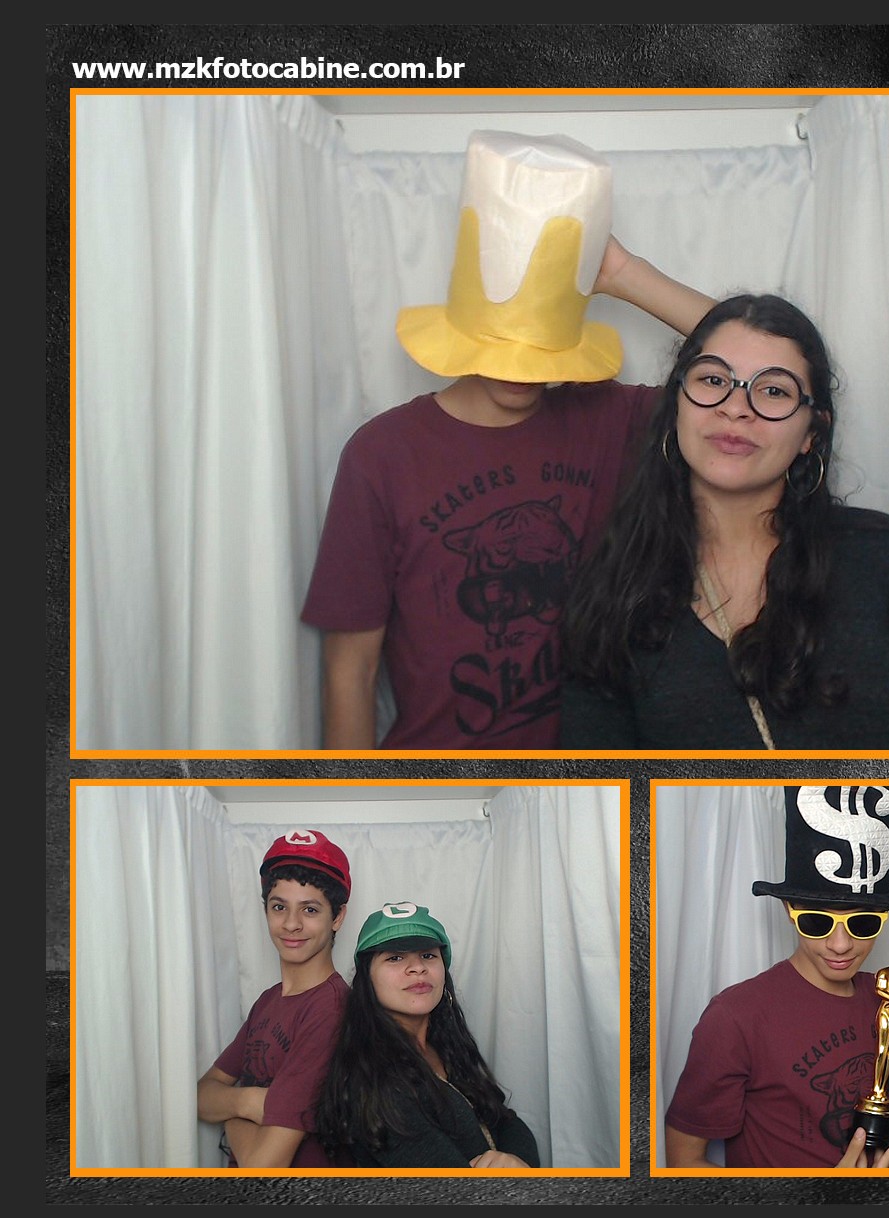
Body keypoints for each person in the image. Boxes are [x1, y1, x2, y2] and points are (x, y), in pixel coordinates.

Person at [300, 129, 715, 750]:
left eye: (539, 348)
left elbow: (763, 372)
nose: (521, 371)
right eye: (503, 345)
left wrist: (627, 275)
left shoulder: (607, 420)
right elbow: (349, 674)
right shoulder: (381, 456)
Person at [557, 293, 889, 750]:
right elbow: (600, 789)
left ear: (811, 433)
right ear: (676, 407)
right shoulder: (615, 589)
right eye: (713, 380)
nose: (735, 408)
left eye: (774, 391)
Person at [663, 785, 889, 1169]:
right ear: (789, 910)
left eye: (862, 923)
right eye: (816, 921)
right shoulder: (736, 1015)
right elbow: (682, 1163)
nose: (840, 945)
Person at [314, 902, 538, 1168]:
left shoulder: (447, 1047)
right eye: (395, 958)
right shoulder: (372, 1078)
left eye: (428, 955)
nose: (417, 967)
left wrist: (514, 1160)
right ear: (367, 980)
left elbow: (507, 1121)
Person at [196, 830, 352, 1167]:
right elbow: (201, 1095)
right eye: (279, 907)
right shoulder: (269, 1000)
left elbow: (263, 1165)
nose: (291, 924)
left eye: (310, 909)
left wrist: (229, 1109)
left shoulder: (331, 1009)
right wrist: (250, 1102)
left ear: (337, 917)